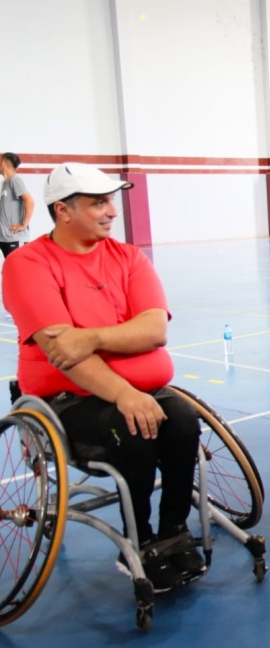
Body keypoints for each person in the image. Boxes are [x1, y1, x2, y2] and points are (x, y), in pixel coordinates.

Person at [1, 162, 204, 592]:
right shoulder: (26, 265)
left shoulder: (128, 257)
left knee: (184, 421)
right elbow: (65, 357)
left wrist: (88, 337)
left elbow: (154, 330)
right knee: (133, 430)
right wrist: (125, 392)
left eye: (111, 200)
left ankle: (173, 531)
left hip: (144, 388)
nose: (112, 211)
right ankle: (139, 538)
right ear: (62, 211)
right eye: (99, 203)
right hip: (70, 401)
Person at [0, 152, 34, 258]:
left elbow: (29, 201)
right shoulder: (5, 184)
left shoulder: (15, 180)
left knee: (20, 272)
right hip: (4, 238)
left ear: (3, 163)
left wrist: (23, 225)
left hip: (15, 238)